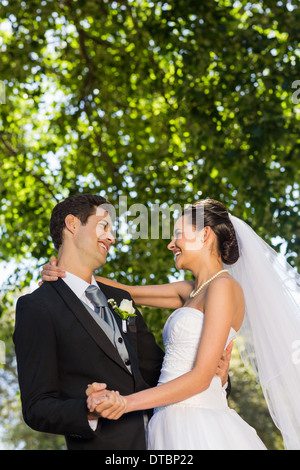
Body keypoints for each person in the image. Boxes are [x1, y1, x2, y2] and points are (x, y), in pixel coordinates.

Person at [14, 194, 231, 450]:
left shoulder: (121, 299)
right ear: (72, 224)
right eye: (104, 226)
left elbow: (163, 371)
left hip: (166, 443)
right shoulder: (38, 307)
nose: (111, 237)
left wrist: (220, 379)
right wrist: (88, 410)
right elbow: (36, 407)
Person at [84, 199, 300, 450]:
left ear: (205, 234)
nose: (170, 244)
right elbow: (127, 292)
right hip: (168, 420)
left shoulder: (223, 287)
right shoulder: (193, 290)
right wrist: (68, 273)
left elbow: (200, 378)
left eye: (178, 235)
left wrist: (125, 403)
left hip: (197, 422)